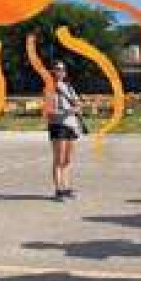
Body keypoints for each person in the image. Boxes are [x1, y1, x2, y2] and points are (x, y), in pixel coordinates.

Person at [45, 60, 83, 202]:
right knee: (58, 159)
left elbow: (77, 103)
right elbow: (49, 111)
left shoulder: (69, 87)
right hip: (58, 125)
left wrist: (78, 106)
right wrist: (67, 111)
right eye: (57, 69)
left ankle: (66, 187)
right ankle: (58, 189)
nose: (60, 71)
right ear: (52, 71)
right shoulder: (49, 88)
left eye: (62, 69)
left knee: (68, 159)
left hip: (71, 126)